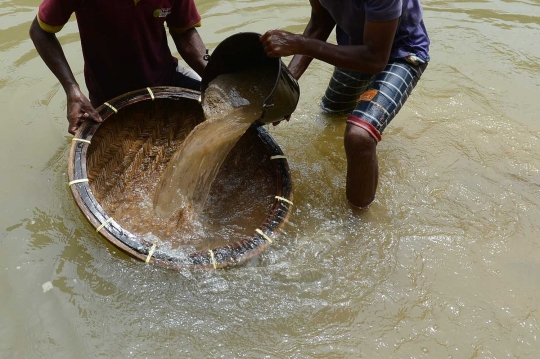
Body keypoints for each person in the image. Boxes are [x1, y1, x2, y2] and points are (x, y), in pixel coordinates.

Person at [261, 0, 430, 209]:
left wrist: (300, 43)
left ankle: (358, 223)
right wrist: (286, 86)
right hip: (357, 47)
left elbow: (375, 59)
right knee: (330, 115)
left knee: (359, 137)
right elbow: (321, 19)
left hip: (401, 53)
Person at [30, 0, 207, 135]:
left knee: (221, 103)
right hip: (109, 97)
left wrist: (214, 72)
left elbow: (183, 31)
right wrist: (72, 89)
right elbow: (40, 31)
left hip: (166, 79)